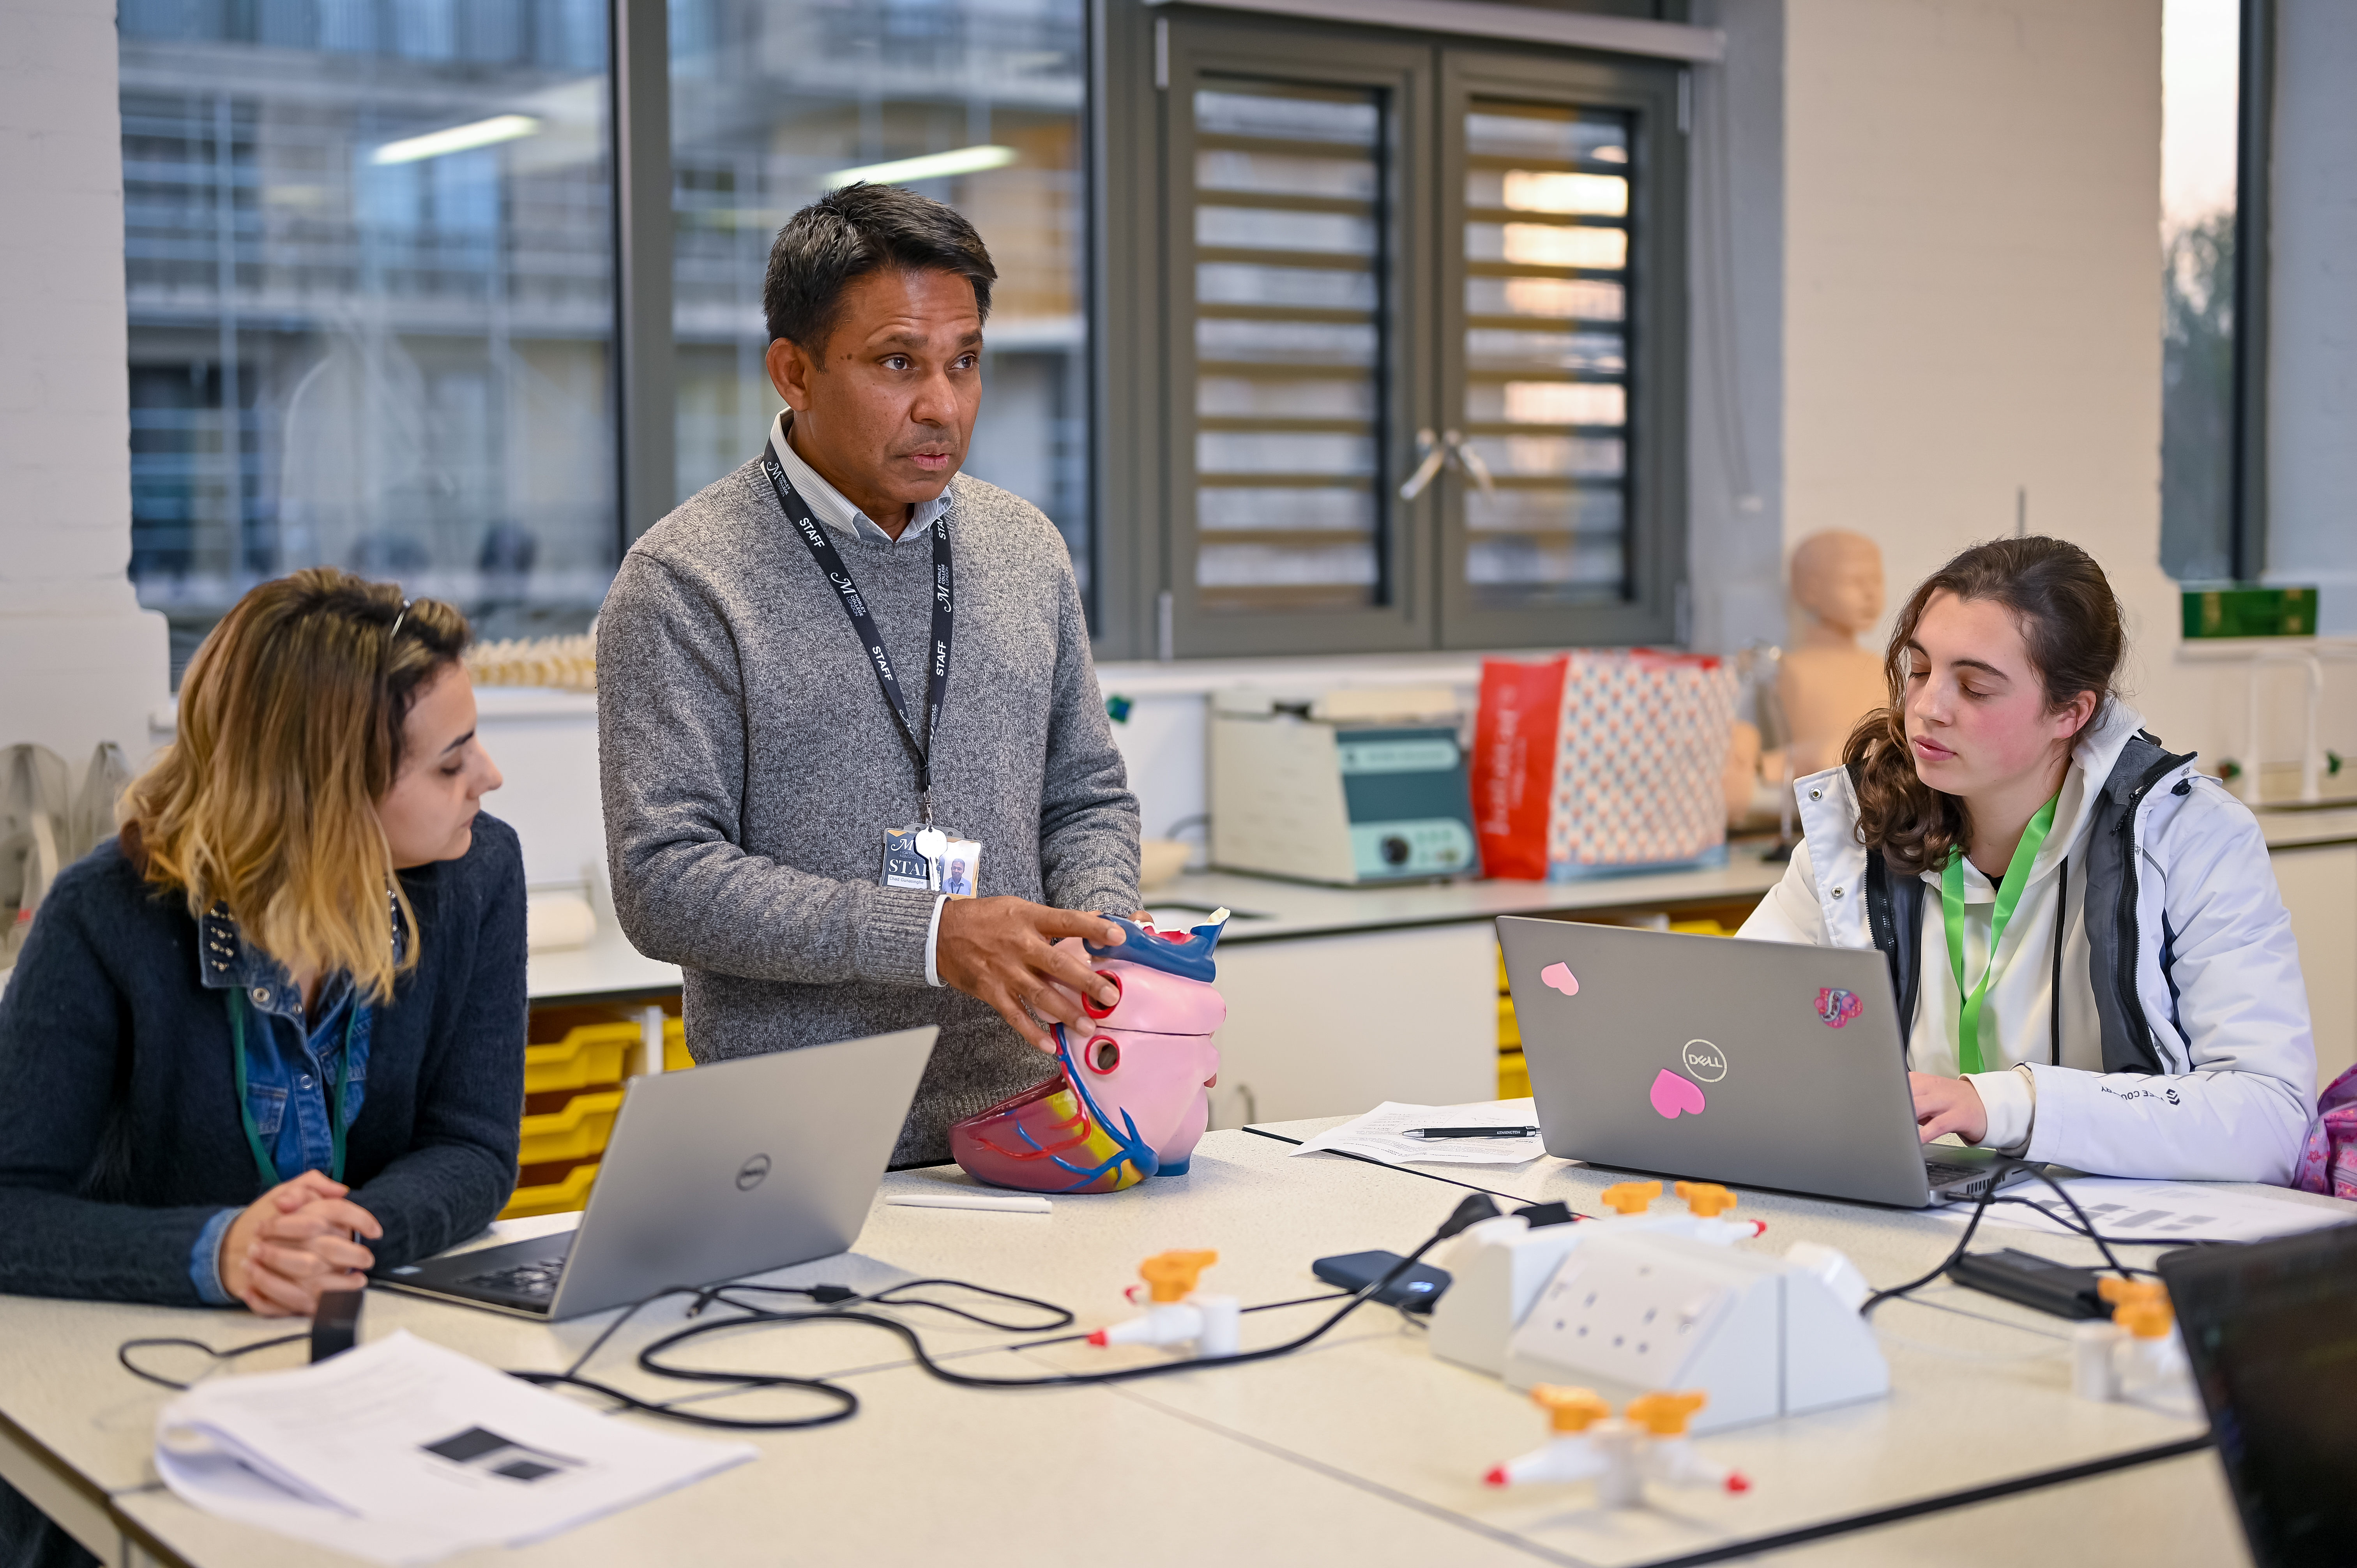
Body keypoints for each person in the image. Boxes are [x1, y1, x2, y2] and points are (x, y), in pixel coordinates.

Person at [598, 182, 1140, 1168]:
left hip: (1035, 1108)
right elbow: (662, 879)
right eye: (899, 363)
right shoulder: (684, 579)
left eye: (964, 362)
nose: (943, 405)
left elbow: (1086, 794)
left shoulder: (1027, 550)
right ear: (794, 371)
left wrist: (1092, 929)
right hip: (794, 1141)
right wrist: (932, 932)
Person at [0, 570, 523, 1566]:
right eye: (451, 763)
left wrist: (340, 1238)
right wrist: (222, 1250)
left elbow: (474, 1146)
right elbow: (11, 1206)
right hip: (129, 1412)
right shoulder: (105, 917)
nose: (487, 778)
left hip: (364, 1384)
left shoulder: (477, 871)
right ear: (330, 793)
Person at [1739, 537, 2316, 1184]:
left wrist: (2003, 1104)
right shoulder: (1856, 827)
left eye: (1976, 687)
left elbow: (2270, 1120)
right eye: (1921, 670)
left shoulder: (2191, 838)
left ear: (2071, 712)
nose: (1927, 707)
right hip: (1911, 1214)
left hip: (2113, 1234)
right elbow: (1728, 1031)